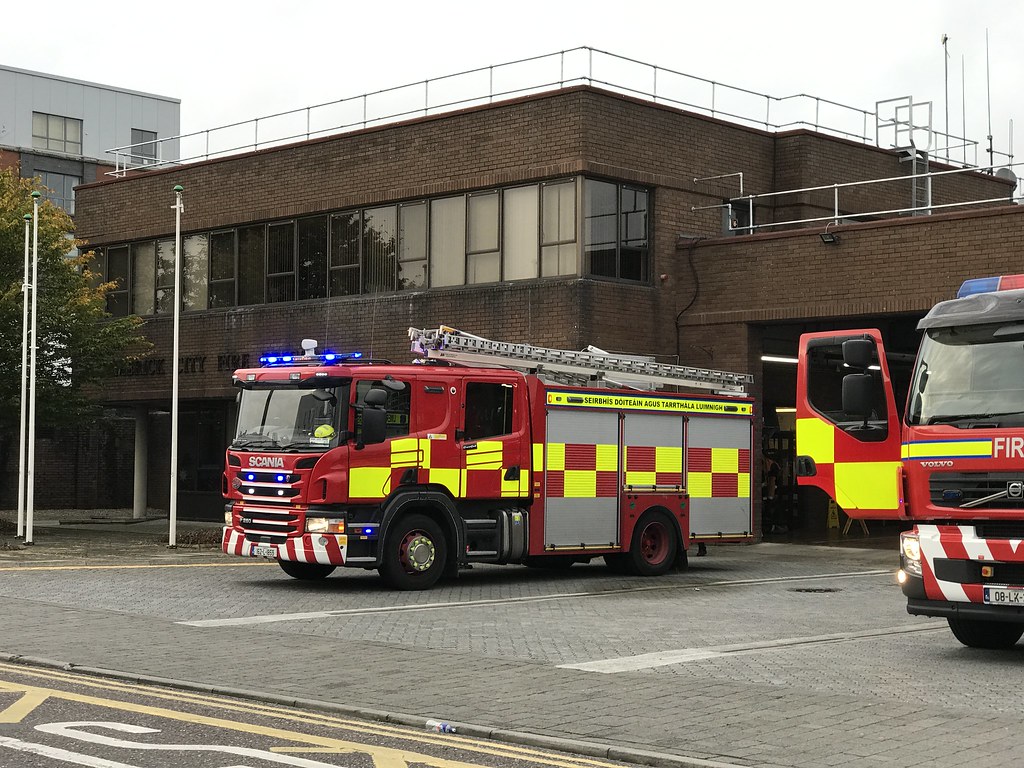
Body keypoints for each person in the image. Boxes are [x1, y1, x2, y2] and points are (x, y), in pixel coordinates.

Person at [762, 451, 785, 534]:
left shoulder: (772, 465)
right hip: (774, 492)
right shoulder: (772, 464)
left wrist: (770, 497)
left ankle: (773, 526)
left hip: (773, 493)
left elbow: (772, 480)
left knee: (771, 510)